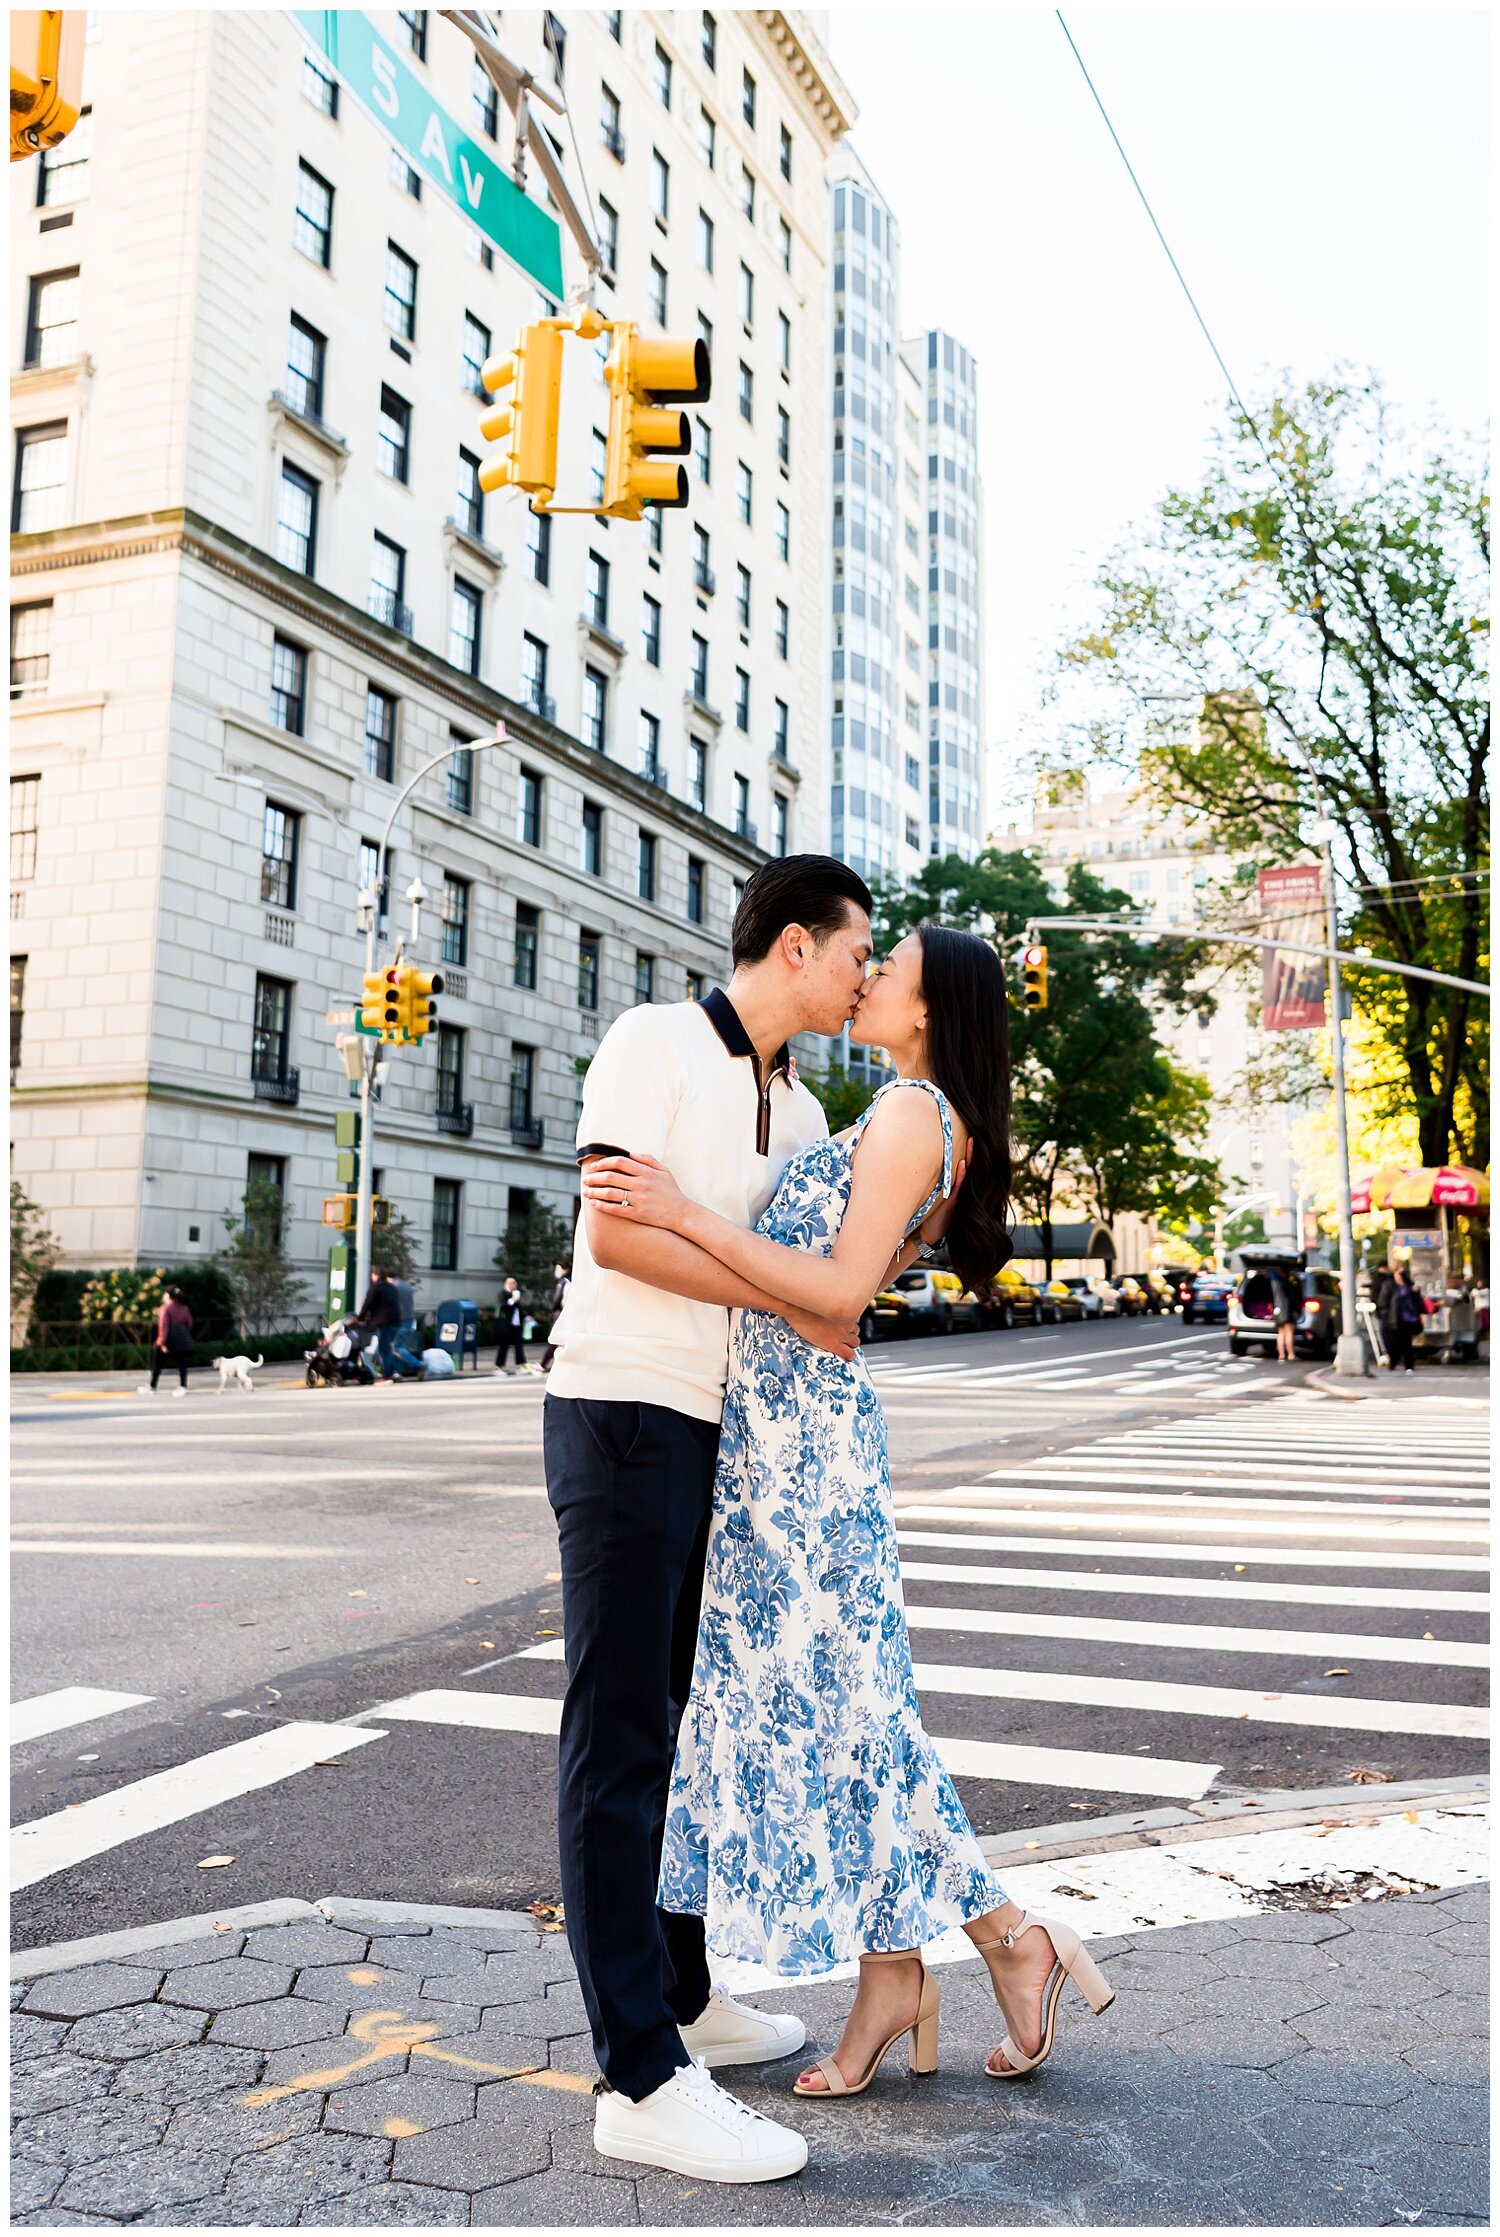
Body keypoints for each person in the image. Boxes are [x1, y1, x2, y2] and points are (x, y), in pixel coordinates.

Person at [585, 923, 1116, 2110]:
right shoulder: (893, 1114)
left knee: (861, 1712)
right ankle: (906, 1967)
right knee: (846, 1710)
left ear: (929, 1011)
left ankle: (1002, 1938)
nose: (867, 977)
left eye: (890, 968)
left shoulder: (914, 1114)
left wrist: (678, 1210)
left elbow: (834, 1293)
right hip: (774, 1436)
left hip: (805, 1449)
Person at [544, 855, 876, 2186]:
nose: (866, 970)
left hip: (716, 1434)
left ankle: (682, 1993)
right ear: (795, 946)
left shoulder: (799, 1114)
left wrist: (750, 1254)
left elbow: (825, 1298)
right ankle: (637, 2069)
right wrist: (743, 1258)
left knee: (686, 1735)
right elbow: (620, 1238)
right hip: (621, 1407)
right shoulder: (656, 1040)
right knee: (619, 1738)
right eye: (857, 948)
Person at [141, 1285, 194, 1396]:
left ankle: (152, 1387)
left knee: (158, 1364)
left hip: (167, 1340)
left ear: (168, 1296)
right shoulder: (184, 1308)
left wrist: (161, 1342)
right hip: (180, 1340)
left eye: (164, 1294)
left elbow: (163, 1326)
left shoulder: (165, 1308)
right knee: (181, 1363)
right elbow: (189, 1324)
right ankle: (183, 1386)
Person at [355, 1267, 401, 1380]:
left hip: (384, 1321)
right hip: (396, 1321)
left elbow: (368, 1304)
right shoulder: (392, 1287)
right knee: (389, 1348)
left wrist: (360, 1318)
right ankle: (395, 1371)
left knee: (384, 1348)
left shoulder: (376, 1287)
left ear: (375, 1275)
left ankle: (388, 1374)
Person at [1386, 1263, 1424, 1373]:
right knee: (1395, 1342)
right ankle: (1393, 1361)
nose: (1402, 1274)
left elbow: (1416, 1299)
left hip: (1409, 1316)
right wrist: (1386, 1316)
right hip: (1395, 1317)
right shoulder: (1389, 1284)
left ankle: (1409, 1365)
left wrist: (1416, 1291)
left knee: (1407, 1342)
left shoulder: (1408, 1283)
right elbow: (1383, 1301)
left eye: (1403, 1272)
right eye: (1400, 1272)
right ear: (1395, 1272)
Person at [388, 1272, 423, 1379]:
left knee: (396, 1348)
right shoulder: (406, 1286)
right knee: (396, 1347)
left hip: (399, 1320)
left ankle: (418, 1365)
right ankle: (398, 1373)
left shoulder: (394, 1287)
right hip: (408, 1319)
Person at [539, 1262, 571, 1374]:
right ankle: (545, 1364)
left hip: (561, 1314)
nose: (556, 1271)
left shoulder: (565, 1282)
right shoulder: (566, 1280)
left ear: (564, 1269)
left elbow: (559, 1300)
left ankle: (543, 1364)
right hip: (562, 1314)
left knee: (555, 1339)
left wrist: (552, 1308)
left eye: (558, 1268)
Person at [495, 1276, 527, 1374]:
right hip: (506, 1324)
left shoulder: (515, 1295)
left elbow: (519, 1310)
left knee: (518, 1344)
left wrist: (526, 1317)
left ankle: (520, 1364)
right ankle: (499, 1366)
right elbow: (501, 1306)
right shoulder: (503, 1294)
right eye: (511, 1283)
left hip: (516, 1324)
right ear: (506, 1284)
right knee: (504, 1345)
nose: (513, 1285)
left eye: (514, 1283)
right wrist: (512, 1300)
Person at [1270, 1264, 1299, 1362]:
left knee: (1281, 1333)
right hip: (1287, 1310)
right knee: (1289, 1332)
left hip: (1278, 1310)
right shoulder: (1286, 1283)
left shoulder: (1275, 1283)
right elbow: (1292, 1297)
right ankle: (1291, 1354)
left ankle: (1281, 1355)